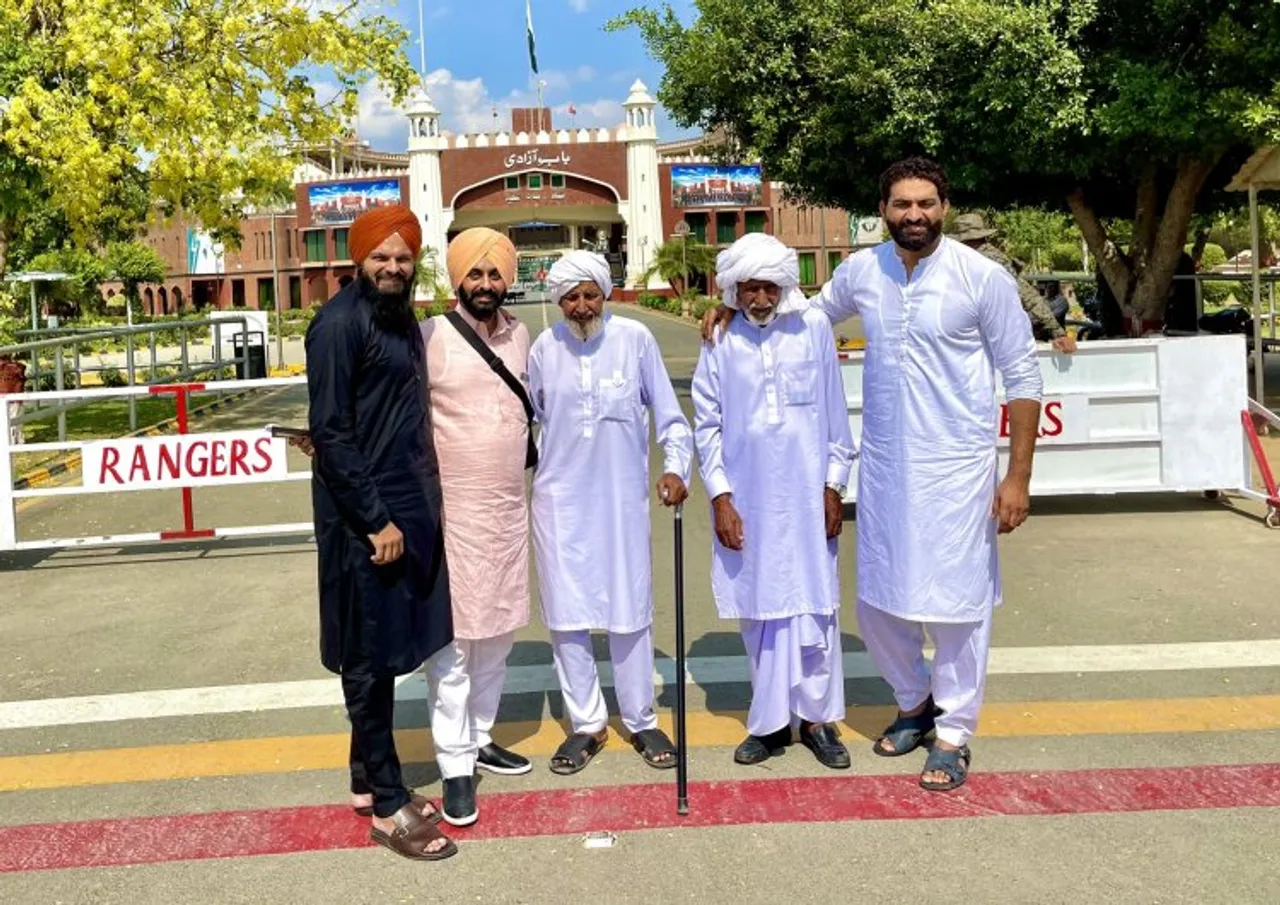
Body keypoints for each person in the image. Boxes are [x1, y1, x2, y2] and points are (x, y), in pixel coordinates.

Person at [815, 158, 1043, 791]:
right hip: (887, 469)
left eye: (925, 203)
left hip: (959, 471)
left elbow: (1023, 379)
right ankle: (914, 704)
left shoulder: (981, 278)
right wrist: (733, 303)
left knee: (959, 607)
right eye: (900, 204)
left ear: (944, 206)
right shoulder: (862, 271)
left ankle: (954, 732)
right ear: (882, 210)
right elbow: (808, 316)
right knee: (880, 601)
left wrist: (1017, 478)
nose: (913, 214)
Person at [304, 204, 456, 861]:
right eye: (381, 257)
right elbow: (330, 431)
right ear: (358, 259)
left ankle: (368, 780)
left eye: (402, 257)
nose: (393, 267)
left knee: (386, 650)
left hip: (403, 513)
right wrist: (375, 517)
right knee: (366, 660)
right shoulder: (338, 324)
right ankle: (390, 807)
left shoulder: (401, 320)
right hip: (363, 521)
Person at [691, 232, 857, 770]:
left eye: (768, 288)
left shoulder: (811, 330)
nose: (759, 299)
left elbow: (836, 417)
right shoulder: (720, 339)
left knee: (816, 607)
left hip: (809, 498)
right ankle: (768, 724)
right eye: (748, 289)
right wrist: (720, 496)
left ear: (784, 287)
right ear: (733, 290)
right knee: (759, 610)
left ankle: (817, 721)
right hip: (749, 500)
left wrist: (834, 486)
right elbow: (706, 427)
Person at [527, 251, 693, 775]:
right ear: (558, 301)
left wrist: (677, 470)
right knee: (568, 617)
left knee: (630, 611)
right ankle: (587, 724)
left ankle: (641, 719)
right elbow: (527, 425)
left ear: (605, 295)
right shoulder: (542, 349)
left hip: (622, 502)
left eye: (590, 295)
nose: (581, 306)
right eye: (571, 297)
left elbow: (671, 418)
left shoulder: (635, 341)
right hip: (560, 503)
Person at [422, 226, 534, 827]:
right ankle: (455, 763)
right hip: (452, 515)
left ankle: (482, 735)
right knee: (455, 646)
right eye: (475, 274)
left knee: (497, 637)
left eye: (494, 275)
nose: (485, 284)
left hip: (507, 512)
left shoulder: (521, 337)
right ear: (456, 278)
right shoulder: (432, 336)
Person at [951, 212, 1077, 354]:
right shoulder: (988, 259)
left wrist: (1057, 332)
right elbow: (1028, 296)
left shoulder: (983, 260)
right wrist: (1057, 331)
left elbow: (1027, 296)